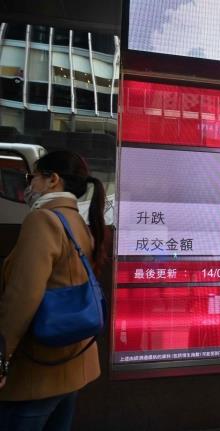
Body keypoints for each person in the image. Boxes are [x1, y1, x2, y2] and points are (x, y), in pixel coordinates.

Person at [0, 151, 106, 431]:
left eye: (32, 177)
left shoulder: (43, 220)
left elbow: (22, 297)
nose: (29, 185)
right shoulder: (76, 221)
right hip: (72, 363)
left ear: (52, 180)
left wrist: (2, 356)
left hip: (39, 370)